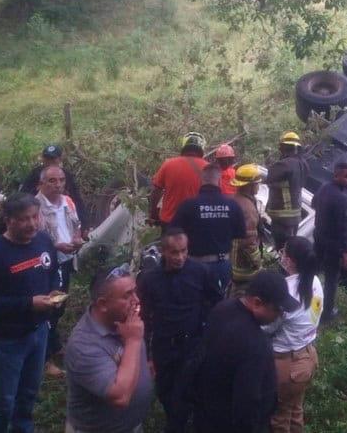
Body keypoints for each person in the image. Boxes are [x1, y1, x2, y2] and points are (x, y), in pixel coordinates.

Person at [0, 192, 62, 433]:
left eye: (35, 216)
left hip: (39, 333)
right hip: (8, 339)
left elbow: (53, 271)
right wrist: (28, 304)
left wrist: (55, 290)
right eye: (24, 219)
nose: (32, 224)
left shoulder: (43, 241)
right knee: (3, 401)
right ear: (8, 220)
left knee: (28, 395)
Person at [137, 228, 223, 433]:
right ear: (163, 251)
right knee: (166, 393)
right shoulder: (150, 280)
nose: (180, 257)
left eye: (184, 251)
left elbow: (216, 302)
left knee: (190, 394)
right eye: (174, 252)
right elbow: (144, 318)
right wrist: (146, 355)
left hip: (193, 344)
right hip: (165, 346)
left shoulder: (201, 272)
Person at [194, 270, 300, 433]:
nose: (280, 315)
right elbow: (247, 403)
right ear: (257, 303)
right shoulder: (255, 344)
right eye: (277, 309)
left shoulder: (222, 309)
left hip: (206, 413)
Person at [65, 264, 154, 433]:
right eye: (127, 295)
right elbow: (121, 397)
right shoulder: (83, 346)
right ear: (103, 304)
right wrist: (134, 341)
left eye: (135, 291)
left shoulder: (125, 320)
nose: (136, 300)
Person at [266, 237, 323, 433]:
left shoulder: (286, 292)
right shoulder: (314, 281)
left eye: (283, 252)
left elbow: (269, 326)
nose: (281, 255)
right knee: (295, 409)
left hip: (286, 363)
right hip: (308, 356)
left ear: (289, 260)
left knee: (278, 417)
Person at [36, 165, 85, 377]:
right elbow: (34, 239)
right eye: (52, 181)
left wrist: (77, 239)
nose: (58, 185)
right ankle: (43, 358)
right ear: (41, 184)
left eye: (61, 180)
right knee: (48, 307)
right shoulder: (34, 206)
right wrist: (56, 246)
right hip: (46, 264)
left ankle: (53, 344)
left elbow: (76, 225)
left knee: (60, 305)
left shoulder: (68, 201)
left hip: (65, 260)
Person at [170, 163, 246, 294]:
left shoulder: (188, 206)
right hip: (222, 265)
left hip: (193, 265)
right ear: (220, 180)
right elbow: (240, 234)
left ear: (201, 180)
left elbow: (172, 234)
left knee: (192, 303)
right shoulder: (232, 205)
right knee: (219, 305)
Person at [311, 161, 347, 324]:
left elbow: (313, 203)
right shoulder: (341, 199)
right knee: (331, 280)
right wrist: (346, 252)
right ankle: (326, 312)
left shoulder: (324, 188)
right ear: (336, 175)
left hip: (319, 239)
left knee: (314, 274)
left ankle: (310, 306)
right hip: (332, 246)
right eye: (346, 176)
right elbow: (342, 229)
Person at [149, 132, 209, 232]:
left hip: (170, 223)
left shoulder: (168, 164)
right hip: (197, 223)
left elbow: (156, 191)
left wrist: (153, 214)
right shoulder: (208, 169)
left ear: (184, 146)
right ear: (202, 148)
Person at [20, 144, 88, 231]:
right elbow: (24, 196)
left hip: (64, 214)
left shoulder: (66, 175)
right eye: (47, 159)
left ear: (59, 159)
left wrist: (84, 224)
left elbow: (77, 200)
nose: (50, 162)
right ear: (43, 159)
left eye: (53, 159)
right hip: (42, 214)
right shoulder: (36, 174)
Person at [266, 131, 309, 250]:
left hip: (281, 218)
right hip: (294, 218)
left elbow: (269, 176)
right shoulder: (303, 164)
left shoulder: (284, 164)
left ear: (284, 147)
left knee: (281, 250)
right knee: (289, 250)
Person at [229, 164, 265, 296]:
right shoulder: (248, 208)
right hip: (243, 268)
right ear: (250, 186)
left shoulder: (235, 200)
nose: (258, 186)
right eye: (257, 183)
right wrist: (258, 264)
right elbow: (248, 242)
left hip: (231, 262)